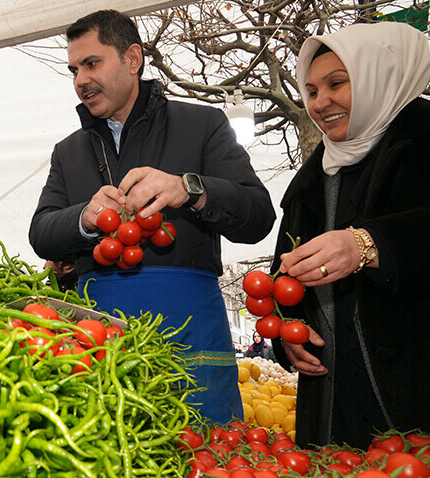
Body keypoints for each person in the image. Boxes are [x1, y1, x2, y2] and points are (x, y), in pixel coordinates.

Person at [28, 9, 275, 424]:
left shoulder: (203, 125)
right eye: (73, 69)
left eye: (91, 63)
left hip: (190, 333)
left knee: (205, 452)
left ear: (132, 59)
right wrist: (85, 219)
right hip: (98, 340)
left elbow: (258, 215)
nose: (80, 80)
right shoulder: (68, 151)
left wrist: (191, 189)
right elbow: (41, 232)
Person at [271, 22, 430, 449]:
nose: (321, 103)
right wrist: (289, 333)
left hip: (412, 381)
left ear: (378, 76)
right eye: (312, 91)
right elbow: (283, 272)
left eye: (337, 84)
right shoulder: (315, 174)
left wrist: (370, 243)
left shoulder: (423, 140)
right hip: (333, 391)